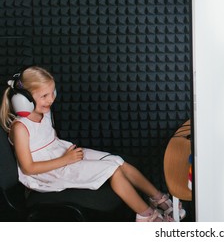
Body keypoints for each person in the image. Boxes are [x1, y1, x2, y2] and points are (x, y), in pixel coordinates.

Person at [0, 66, 186, 222]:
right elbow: (29, 168)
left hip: (61, 155)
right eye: (44, 96)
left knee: (117, 161)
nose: (51, 99)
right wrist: (66, 159)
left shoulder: (44, 111)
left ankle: (158, 198)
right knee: (113, 170)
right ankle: (147, 217)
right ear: (24, 100)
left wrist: (66, 155)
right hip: (45, 173)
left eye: (52, 92)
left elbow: (50, 139)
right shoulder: (20, 128)